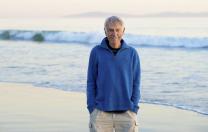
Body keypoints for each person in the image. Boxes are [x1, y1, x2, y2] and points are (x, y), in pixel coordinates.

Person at [87, 16, 141, 132]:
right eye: (111, 30)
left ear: (123, 31)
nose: (114, 33)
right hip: (100, 114)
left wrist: (134, 108)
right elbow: (91, 82)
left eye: (117, 30)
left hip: (127, 114)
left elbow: (136, 83)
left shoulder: (132, 53)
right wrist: (91, 108)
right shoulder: (96, 52)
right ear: (105, 31)